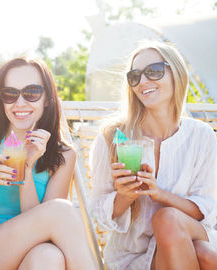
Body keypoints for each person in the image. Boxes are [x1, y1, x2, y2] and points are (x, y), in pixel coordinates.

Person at [0, 57, 97, 270]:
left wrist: (26, 166)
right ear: (0, 99)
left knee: (48, 256)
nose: (20, 103)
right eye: (10, 94)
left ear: (46, 98)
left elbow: (46, 229)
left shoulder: (64, 156)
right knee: (61, 210)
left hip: (32, 257)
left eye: (32, 92)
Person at [89, 41, 217, 270]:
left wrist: (160, 195)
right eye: (135, 76)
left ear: (176, 73)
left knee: (171, 221)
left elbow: (206, 212)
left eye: (154, 71)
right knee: (204, 255)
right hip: (134, 255)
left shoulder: (202, 137)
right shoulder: (113, 139)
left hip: (192, 235)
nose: (143, 82)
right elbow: (98, 212)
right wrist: (125, 196)